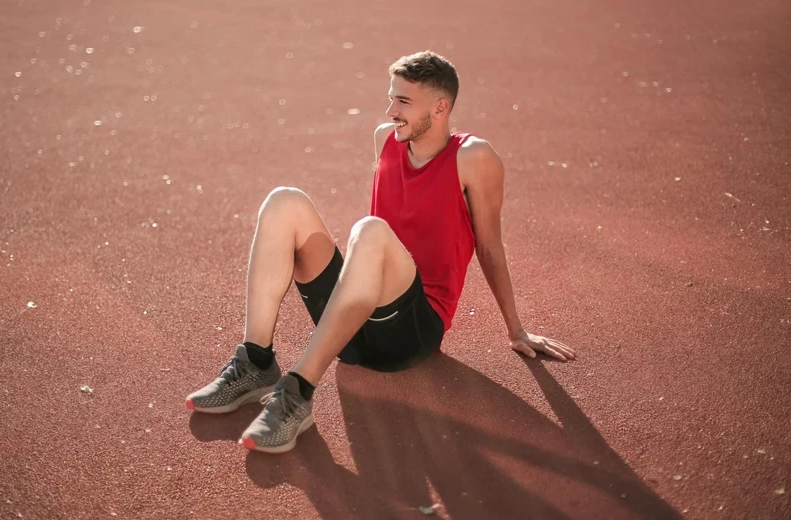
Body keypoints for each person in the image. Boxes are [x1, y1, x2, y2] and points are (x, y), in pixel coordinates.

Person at [185, 51, 576, 453]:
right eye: (391, 99)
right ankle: (255, 361)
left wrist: (516, 329)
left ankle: (298, 390)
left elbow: (489, 245)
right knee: (284, 201)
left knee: (369, 230)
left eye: (403, 101)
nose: (391, 111)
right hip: (356, 322)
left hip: (413, 329)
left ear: (440, 107)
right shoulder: (384, 139)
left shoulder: (473, 158)